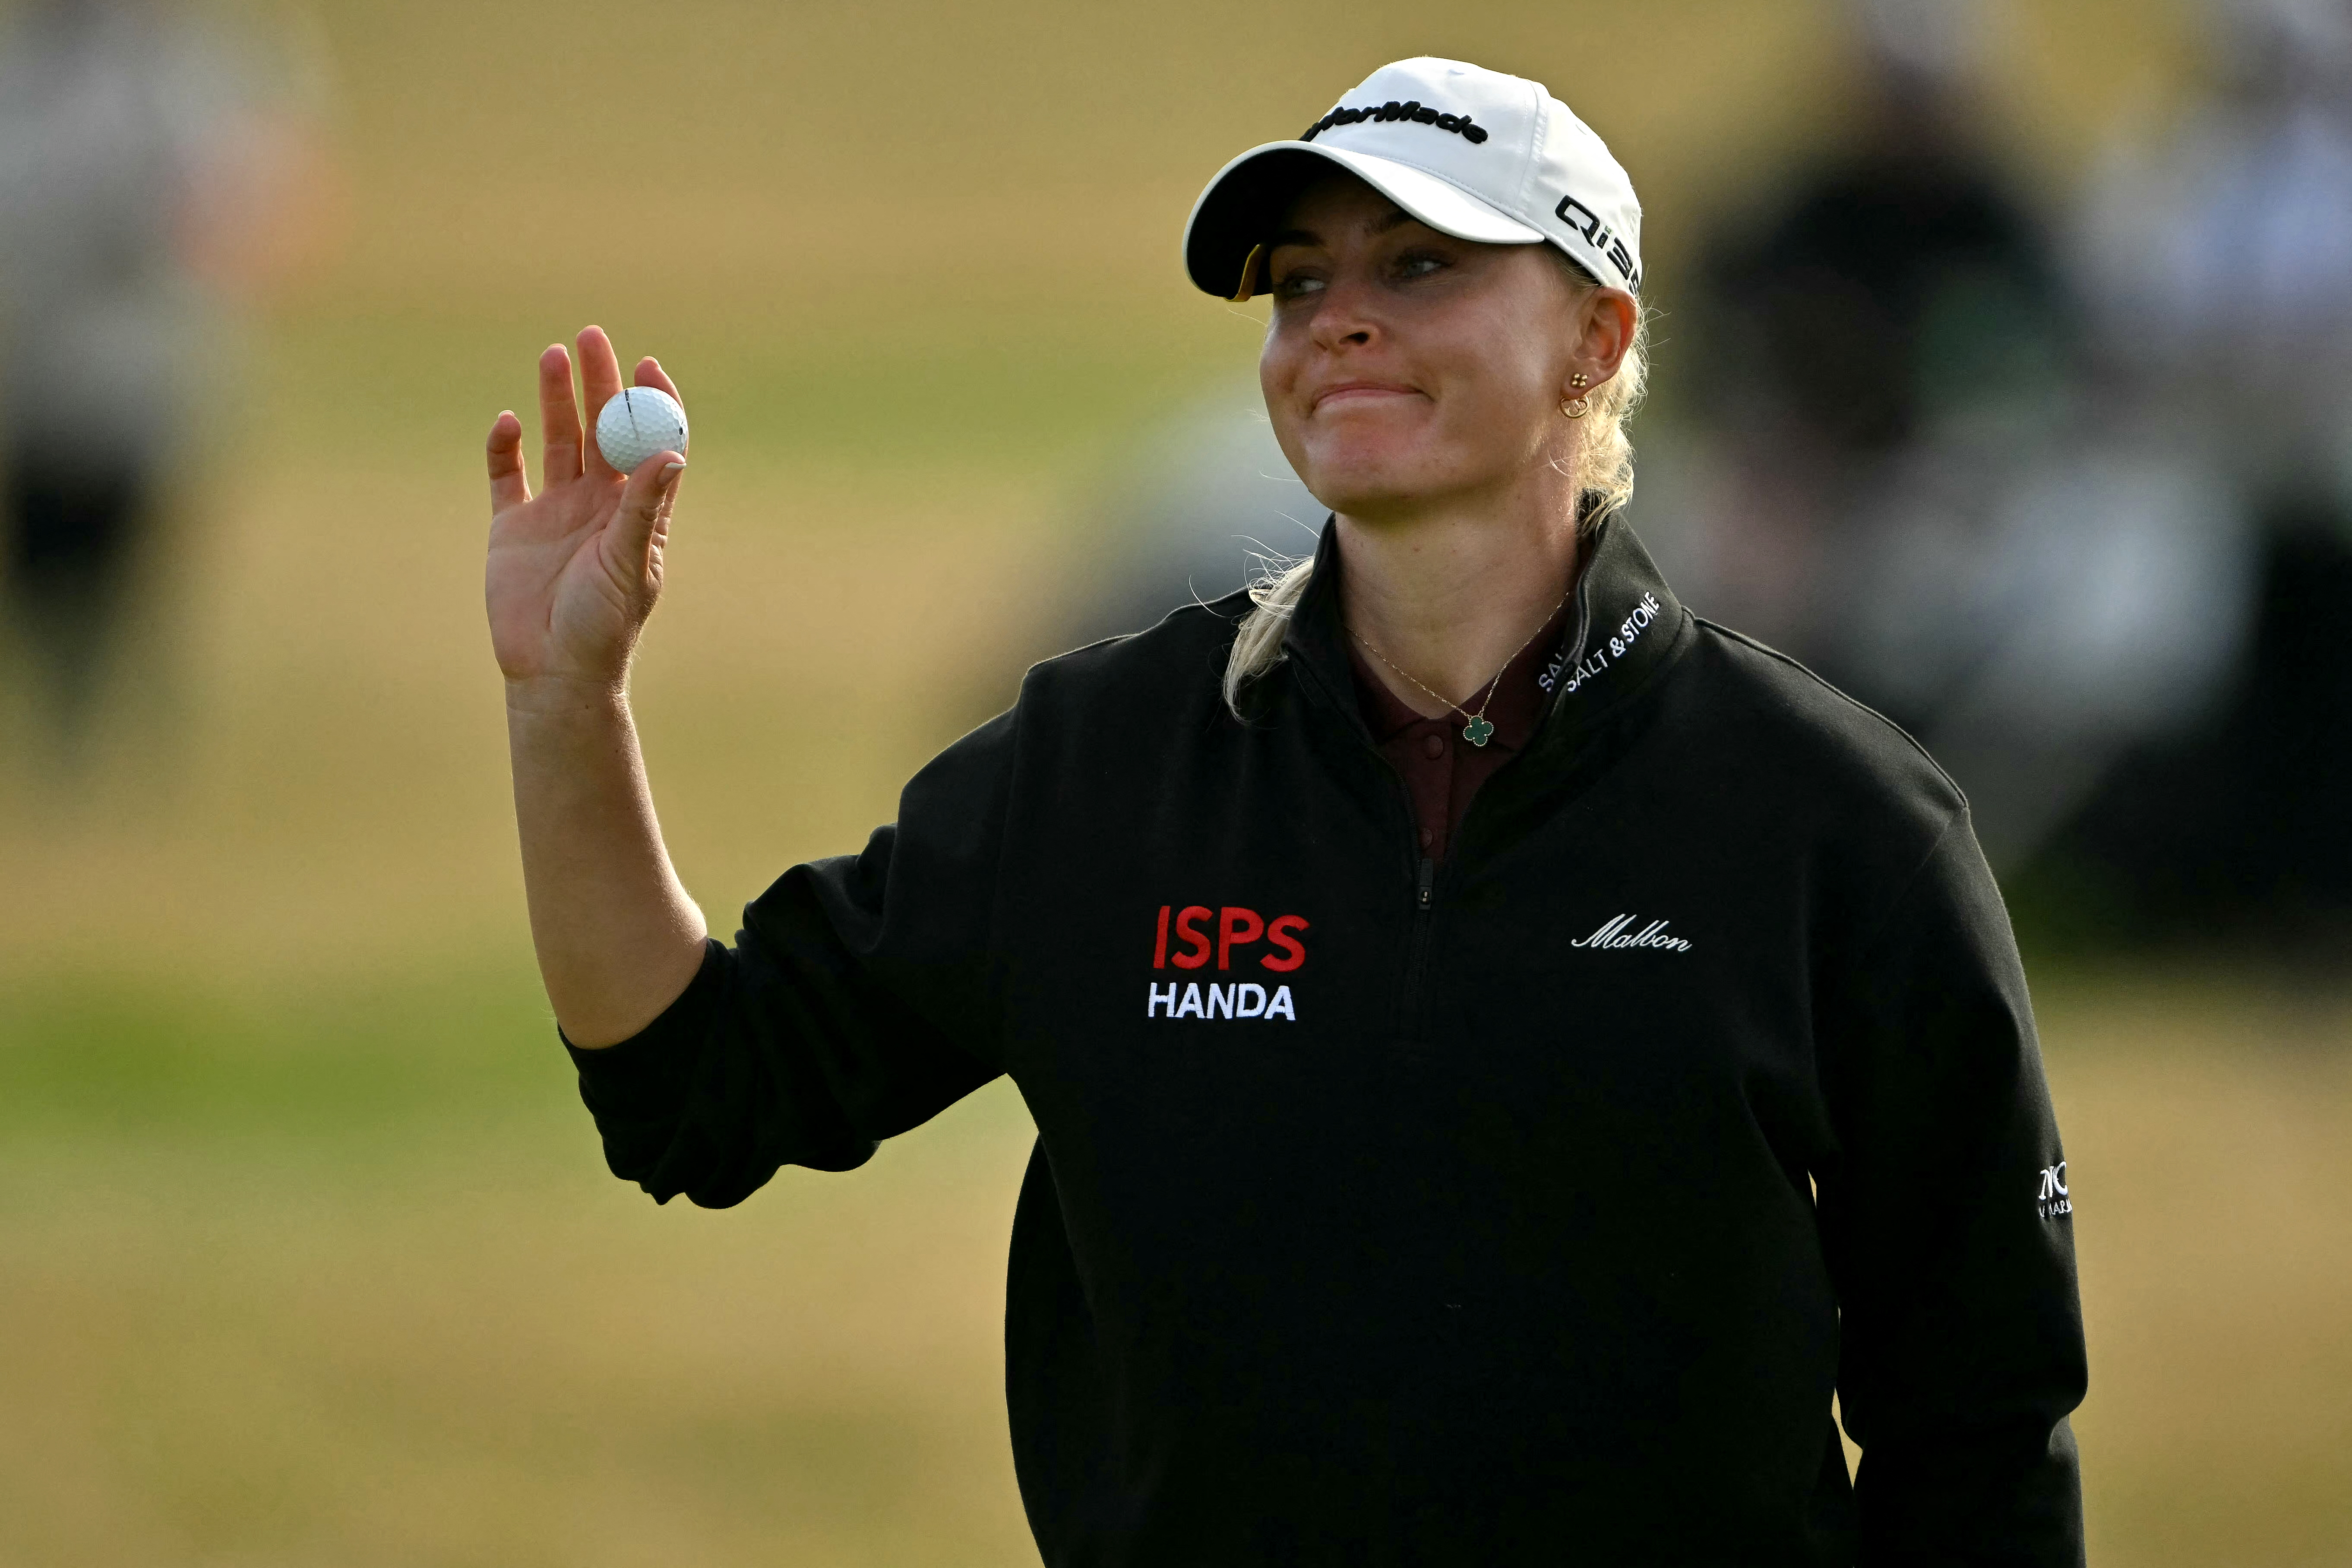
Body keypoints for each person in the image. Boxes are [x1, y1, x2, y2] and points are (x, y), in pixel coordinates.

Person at [484, 57, 2086, 1566]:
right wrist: (571, 708)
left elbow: (1983, 1440)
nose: (1339, 323)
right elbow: (697, 1083)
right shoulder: (1105, 760)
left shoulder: (1838, 820)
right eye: (1303, 282)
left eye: (1420, 268)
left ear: (1597, 339)